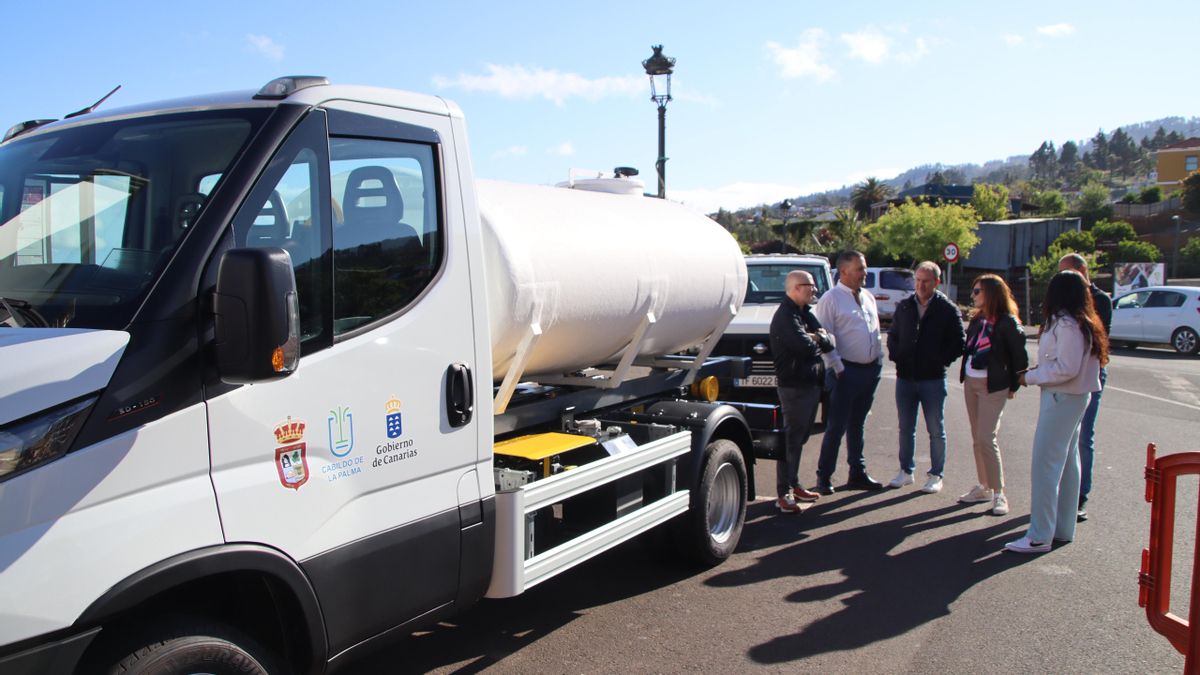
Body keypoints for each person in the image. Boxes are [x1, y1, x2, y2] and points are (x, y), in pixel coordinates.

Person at [1005, 270, 1107, 554]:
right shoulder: (1081, 322)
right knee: (1067, 463)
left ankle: (1039, 535)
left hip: (1062, 398)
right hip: (1074, 398)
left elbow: (1065, 368)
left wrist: (1030, 377)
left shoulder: (1067, 324)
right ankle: (1062, 528)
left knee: (1046, 465)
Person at [886, 261, 966, 493]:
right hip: (905, 378)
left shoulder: (947, 309)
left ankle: (936, 474)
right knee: (905, 427)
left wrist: (940, 360)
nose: (920, 285)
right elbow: (893, 335)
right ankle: (905, 471)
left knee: (935, 429)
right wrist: (897, 355)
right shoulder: (904, 306)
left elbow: (958, 342)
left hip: (932, 379)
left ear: (937, 282)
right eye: (917, 280)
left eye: (926, 281)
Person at [813, 250, 885, 494]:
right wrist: (838, 368)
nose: (864, 273)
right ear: (844, 272)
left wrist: (879, 361)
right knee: (837, 426)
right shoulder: (831, 299)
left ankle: (857, 472)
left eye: (864, 268)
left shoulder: (868, 297)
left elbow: (875, 331)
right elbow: (823, 339)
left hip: (869, 371)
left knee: (858, 423)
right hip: (845, 373)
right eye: (860, 269)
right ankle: (824, 476)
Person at [959, 274, 1028, 516]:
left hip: (993, 386)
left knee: (987, 438)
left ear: (991, 293)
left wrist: (1012, 386)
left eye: (977, 291)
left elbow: (1020, 359)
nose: (973, 296)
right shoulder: (977, 320)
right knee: (977, 438)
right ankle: (984, 487)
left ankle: (999, 493)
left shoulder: (1008, 323)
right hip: (971, 382)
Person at [769, 270, 835, 513]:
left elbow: (829, 341)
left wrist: (817, 337)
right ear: (796, 288)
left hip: (811, 384)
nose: (814, 290)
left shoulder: (805, 313)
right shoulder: (786, 316)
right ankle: (783, 493)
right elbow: (805, 347)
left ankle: (794, 484)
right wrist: (817, 338)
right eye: (810, 286)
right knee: (791, 440)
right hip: (794, 386)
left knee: (801, 438)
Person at [1057, 253, 1111, 522]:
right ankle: (1063, 494)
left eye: (1066, 272)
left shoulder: (1100, 300)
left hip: (1090, 375)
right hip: (1066, 376)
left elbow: (1097, 342)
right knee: (1063, 438)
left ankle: (1080, 497)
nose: (1061, 278)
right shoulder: (1064, 300)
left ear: (1081, 271)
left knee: (1083, 437)